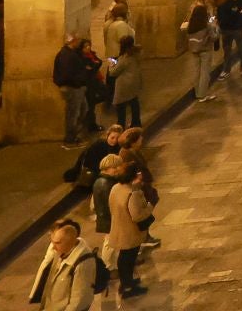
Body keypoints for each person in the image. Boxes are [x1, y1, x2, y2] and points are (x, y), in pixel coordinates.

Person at [27, 217, 100, 311]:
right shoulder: (60, 252)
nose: (53, 247)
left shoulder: (83, 264)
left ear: (70, 242)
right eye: (52, 242)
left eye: (57, 243)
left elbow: (79, 302)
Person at [107, 165, 152, 297]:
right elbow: (137, 215)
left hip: (118, 228)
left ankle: (126, 282)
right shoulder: (132, 193)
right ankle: (127, 286)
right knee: (128, 258)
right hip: (130, 232)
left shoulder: (115, 188)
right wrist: (149, 206)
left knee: (123, 257)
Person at [53, 34, 97, 147]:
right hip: (72, 88)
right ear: (73, 41)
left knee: (83, 109)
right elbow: (68, 74)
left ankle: (75, 135)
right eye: (78, 40)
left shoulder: (70, 53)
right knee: (73, 113)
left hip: (77, 87)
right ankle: (70, 139)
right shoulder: (67, 55)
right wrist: (79, 81)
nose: (80, 42)